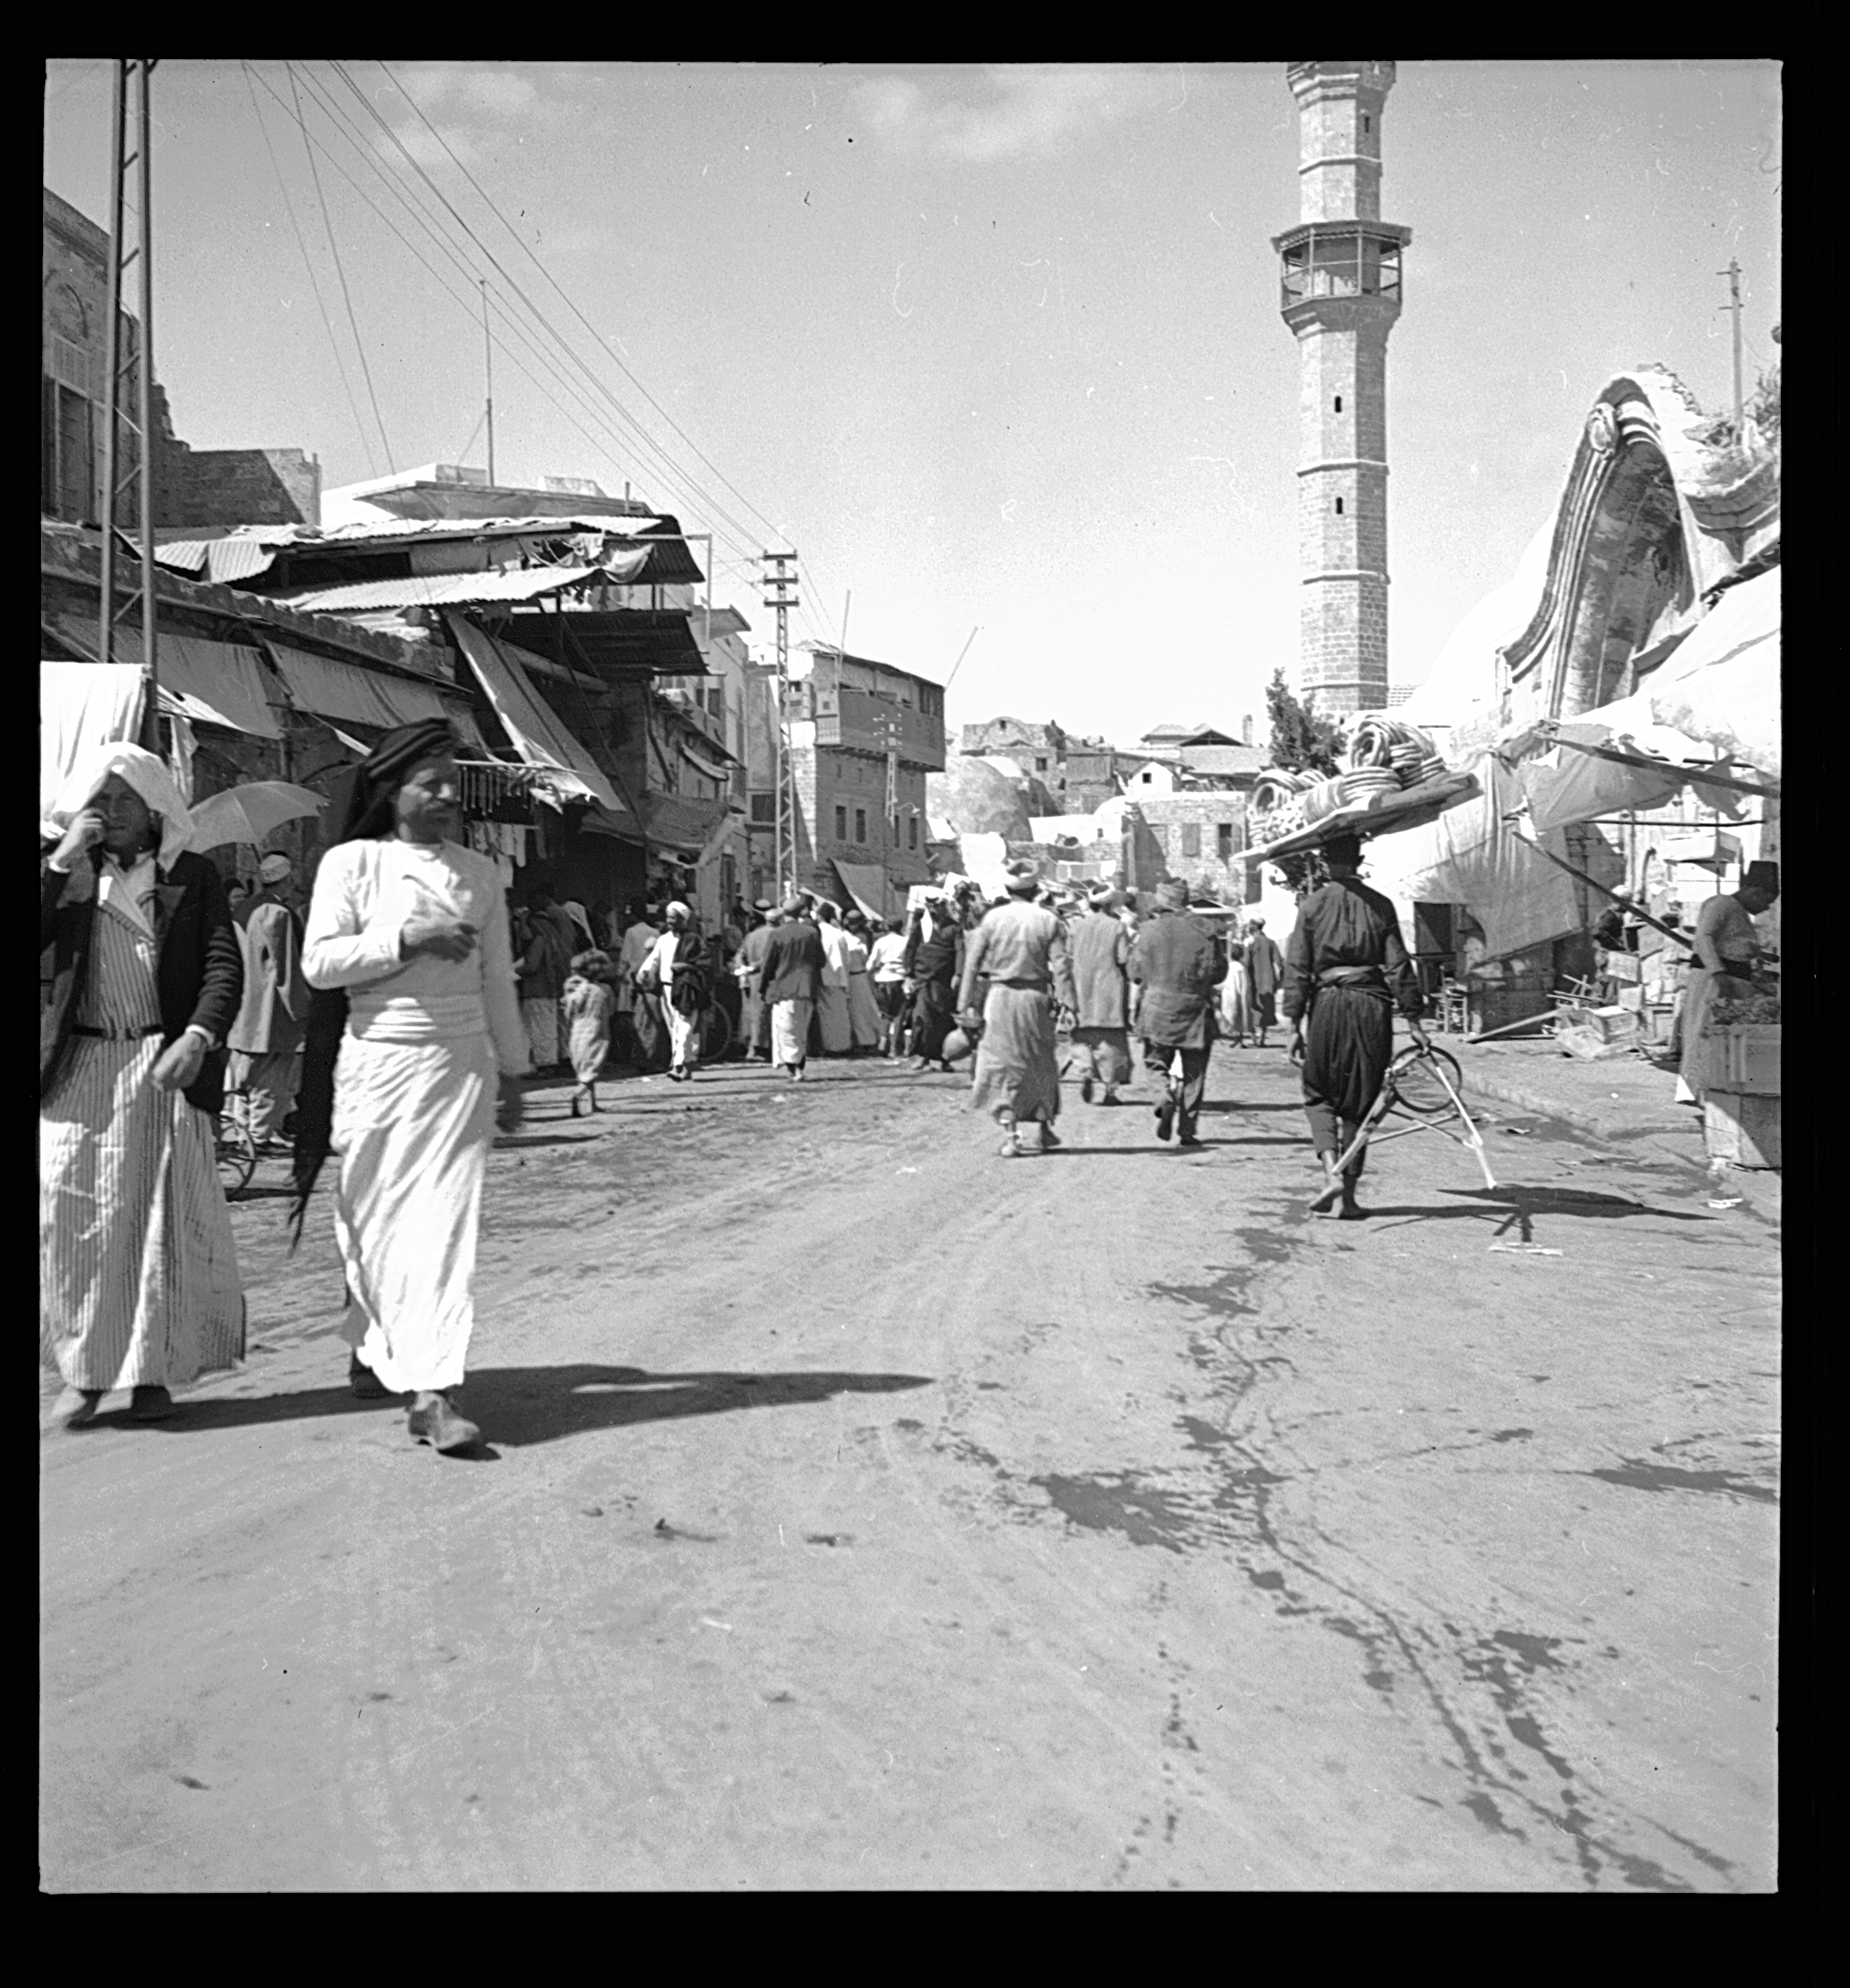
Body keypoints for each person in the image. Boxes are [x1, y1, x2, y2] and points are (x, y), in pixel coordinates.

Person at [295, 720, 528, 1454]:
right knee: (373, 1218)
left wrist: (515, 1071)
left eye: (452, 780)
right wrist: (405, 940)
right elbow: (320, 965)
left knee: (441, 1230)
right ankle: (373, 1342)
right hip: (378, 1065)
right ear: (390, 790)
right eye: (430, 781)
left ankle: (434, 1391)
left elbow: (497, 979)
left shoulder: (480, 873)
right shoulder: (351, 864)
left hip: (458, 1068)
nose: (448, 793)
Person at [40, 743, 246, 1430]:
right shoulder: (69, 874)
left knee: (157, 1224)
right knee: (71, 1216)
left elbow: (222, 965)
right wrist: (61, 863)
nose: (112, 811)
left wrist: (198, 1036)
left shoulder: (191, 877)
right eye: (100, 797)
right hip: (82, 1065)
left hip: (161, 1064)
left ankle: (151, 1374)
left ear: (156, 807)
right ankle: (86, 1372)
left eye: (125, 798)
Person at [1280, 833, 1427, 1220]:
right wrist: (1414, 1021)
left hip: (1327, 1005)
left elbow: (1297, 969)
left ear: (1326, 863)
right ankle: (1349, 1198)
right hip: (1371, 1007)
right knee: (1361, 1102)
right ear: (1360, 860)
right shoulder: (1380, 905)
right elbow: (1398, 966)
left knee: (1318, 1092)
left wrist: (1293, 1025)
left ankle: (1330, 1170)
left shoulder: (1311, 907)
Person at [958, 859, 1078, 1157]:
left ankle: (1012, 1136)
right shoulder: (1048, 921)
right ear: (1036, 889)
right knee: (1039, 1061)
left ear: (1007, 889)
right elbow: (1061, 966)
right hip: (1036, 999)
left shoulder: (992, 919)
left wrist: (964, 1005)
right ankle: (1043, 1128)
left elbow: (972, 964)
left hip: (999, 1000)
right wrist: (1069, 1004)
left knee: (1001, 1064)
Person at [1129, 879, 1227, 1147]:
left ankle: (1163, 1097)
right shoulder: (1206, 931)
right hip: (1195, 1010)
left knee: (1155, 1063)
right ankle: (1187, 1130)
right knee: (1195, 1073)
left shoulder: (1147, 931)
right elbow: (1219, 973)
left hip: (1158, 1010)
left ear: (1161, 902)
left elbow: (1135, 973)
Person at [1675, 863, 1780, 1106]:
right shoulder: (1721, 903)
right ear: (1755, 892)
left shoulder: (1738, 911)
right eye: (1767, 901)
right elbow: (1704, 937)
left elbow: (1734, 945)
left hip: (1733, 981)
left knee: (1724, 1038)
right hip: (1716, 982)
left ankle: (1713, 1091)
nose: (1766, 908)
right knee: (1706, 1032)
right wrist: (1719, 974)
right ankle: (1697, 1091)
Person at [227, 851, 309, 1152]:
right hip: (272, 1009)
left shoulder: (244, 912)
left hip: (245, 1006)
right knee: (273, 1075)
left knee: (248, 1072)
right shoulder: (278, 915)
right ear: (286, 882)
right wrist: (302, 1008)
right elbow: (285, 968)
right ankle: (260, 1135)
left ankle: (245, 1132)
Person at [1069, 886, 1134, 1105]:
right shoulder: (1117, 927)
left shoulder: (1077, 926)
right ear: (1108, 904)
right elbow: (1124, 959)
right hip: (1109, 993)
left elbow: (1069, 956)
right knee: (1110, 1044)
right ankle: (1109, 1090)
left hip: (1080, 991)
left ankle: (1086, 1071)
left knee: (1081, 1038)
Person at [639, 902, 706, 1082]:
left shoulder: (693, 940)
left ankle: (679, 1063)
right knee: (674, 1028)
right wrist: (645, 972)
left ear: (683, 920)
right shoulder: (663, 940)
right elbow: (654, 959)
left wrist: (684, 967)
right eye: (668, 918)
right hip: (668, 988)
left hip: (686, 988)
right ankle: (685, 1064)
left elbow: (703, 963)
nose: (669, 921)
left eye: (673, 918)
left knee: (684, 1025)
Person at [760, 894, 824, 1079]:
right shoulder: (811, 933)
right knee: (801, 1030)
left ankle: (794, 1069)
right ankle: (799, 1066)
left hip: (783, 988)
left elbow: (768, 965)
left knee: (787, 1030)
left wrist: (763, 987)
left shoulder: (777, 934)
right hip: (807, 988)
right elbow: (821, 961)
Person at [516, 888, 575, 1076]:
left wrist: (512, 972)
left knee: (541, 1027)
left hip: (538, 988)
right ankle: (563, 1060)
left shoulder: (538, 937)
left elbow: (532, 965)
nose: (522, 932)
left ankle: (546, 1065)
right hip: (556, 986)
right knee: (558, 1026)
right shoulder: (553, 932)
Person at [903, 893, 965, 1071]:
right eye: (931, 906)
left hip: (944, 981)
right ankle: (922, 1057)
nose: (934, 910)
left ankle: (944, 1059)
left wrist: (959, 974)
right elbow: (911, 949)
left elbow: (960, 950)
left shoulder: (954, 928)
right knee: (921, 1018)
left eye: (937, 906)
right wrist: (909, 974)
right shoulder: (921, 927)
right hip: (923, 979)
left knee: (943, 1019)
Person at [561, 949, 616, 1115]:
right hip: (598, 1029)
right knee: (593, 1067)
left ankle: (592, 1103)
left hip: (578, 1030)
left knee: (583, 1068)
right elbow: (611, 1010)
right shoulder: (604, 989)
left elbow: (568, 1013)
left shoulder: (576, 989)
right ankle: (578, 1094)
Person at [616, 901, 663, 1070]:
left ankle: (634, 1054)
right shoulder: (656, 932)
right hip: (652, 979)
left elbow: (625, 958)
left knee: (632, 1018)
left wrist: (619, 975)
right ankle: (647, 1054)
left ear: (634, 915)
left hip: (632, 980)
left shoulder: (631, 932)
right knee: (650, 1020)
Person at [813, 900, 854, 1054]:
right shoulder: (839, 934)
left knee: (826, 1013)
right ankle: (842, 1045)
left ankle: (830, 1046)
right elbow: (847, 959)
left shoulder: (816, 932)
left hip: (823, 977)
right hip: (839, 977)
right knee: (840, 1012)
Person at [867, 914, 910, 1057]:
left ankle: (882, 1044)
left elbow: (871, 964)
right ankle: (894, 1048)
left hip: (883, 979)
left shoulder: (881, 942)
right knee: (899, 1015)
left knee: (885, 1015)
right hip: (899, 979)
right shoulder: (906, 941)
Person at [842, 910, 883, 1054]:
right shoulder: (843, 936)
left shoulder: (866, 935)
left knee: (866, 1008)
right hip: (851, 976)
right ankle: (861, 1040)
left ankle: (870, 1040)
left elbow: (870, 955)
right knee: (854, 1010)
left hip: (862, 975)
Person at [1244, 916, 1284, 1048]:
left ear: (1254, 927)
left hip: (1254, 981)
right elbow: (1280, 962)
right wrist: (1280, 981)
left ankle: (1256, 1037)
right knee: (1267, 1009)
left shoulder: (1252, 944)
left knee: (1255, 1008)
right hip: (1268, 982)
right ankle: (1262, 1038)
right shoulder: (1270, 943)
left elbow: (1246, 963)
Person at [1219, 920, 1254, 1046]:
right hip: (1241, 994)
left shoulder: (1232, 966)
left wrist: (1229, 940)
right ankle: (1239, 1039)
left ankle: (1236, 1039)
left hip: (1232, 993)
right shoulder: (1242, 967)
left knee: (1232, 1014)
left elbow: (1229, 955)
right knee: (1241, 1014)